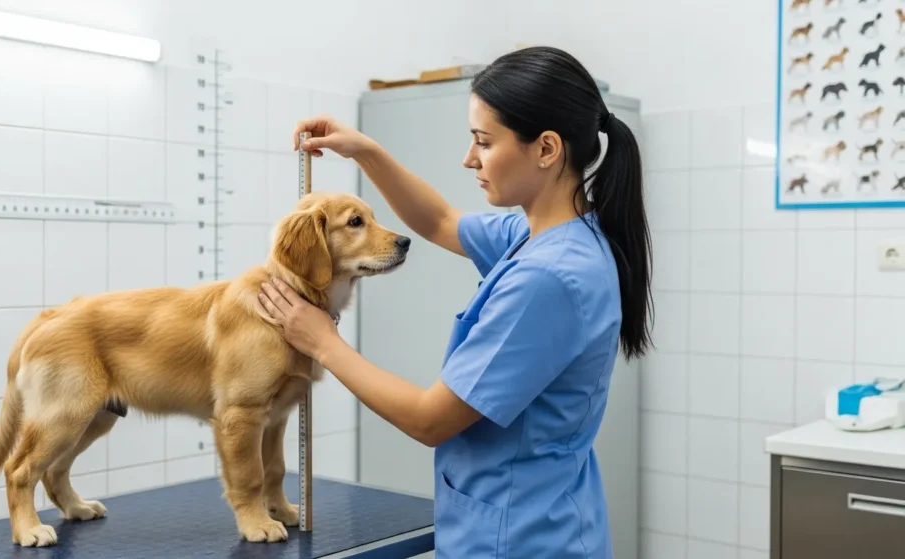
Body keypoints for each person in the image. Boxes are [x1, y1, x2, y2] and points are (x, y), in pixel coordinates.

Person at [258, 45, 653, 559]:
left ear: (546, 148)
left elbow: (431, 419)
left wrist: (323, 342)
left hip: (520, 540)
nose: (470, 158)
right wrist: (364, 151)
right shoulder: (550, 234)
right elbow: (440, 221)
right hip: (542, 516)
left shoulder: (548, 278)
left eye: (483, 142)